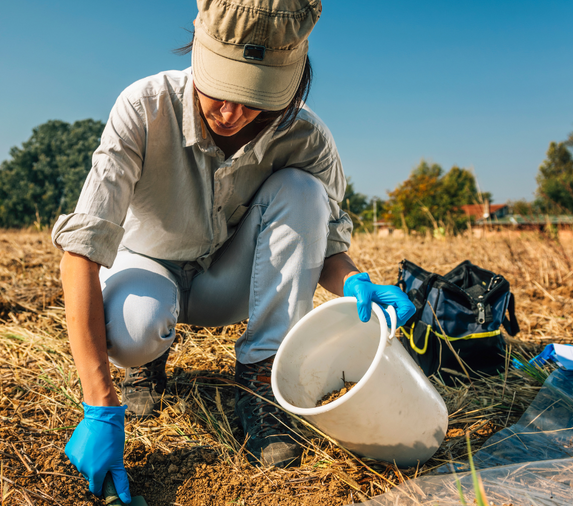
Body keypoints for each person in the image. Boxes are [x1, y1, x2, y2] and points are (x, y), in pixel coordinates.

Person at [54, 0, 415, 502]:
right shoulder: (144, 107)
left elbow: (324, 243)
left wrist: (354, 280)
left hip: (229, 279)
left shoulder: (306, 137)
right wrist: (98, 405)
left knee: (303, 191)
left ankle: (262, 377)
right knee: (137, 330)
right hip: (148, 266)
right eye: (220, 93)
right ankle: (144, 363)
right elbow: (82, 252)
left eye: (254, 101)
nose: (231, 113)